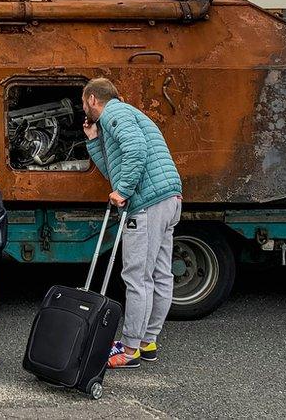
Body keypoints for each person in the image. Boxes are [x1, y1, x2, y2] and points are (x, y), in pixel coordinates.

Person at [81, 77, 182, 370]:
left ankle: (129, 349)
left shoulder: (114, 113)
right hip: (169, 199)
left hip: (147, 205)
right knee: (160, 274)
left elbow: (135, 150)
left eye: (83, 101)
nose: (84, 108)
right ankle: (147, 342)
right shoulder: (125, 115)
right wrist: (93, 142)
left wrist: (123, 191)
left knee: (137, 278)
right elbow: (114, 167)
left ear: (92, 100)